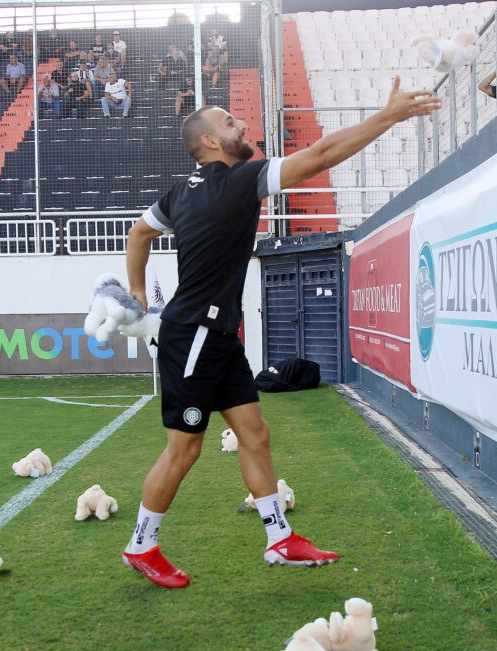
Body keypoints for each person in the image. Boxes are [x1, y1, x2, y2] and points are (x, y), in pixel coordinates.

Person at [118, 81, 442, 588]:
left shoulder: (179, 194)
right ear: (210, 142)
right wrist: (388, 116)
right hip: (194, 336)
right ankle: (141, 546)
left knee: (254, 433)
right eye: (230, 122)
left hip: (216, 336)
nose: (242, 124)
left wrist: (138, 288)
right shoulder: (239, 181)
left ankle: (279, 538)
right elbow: (322, 154)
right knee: (184, 450)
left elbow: (139, 233)